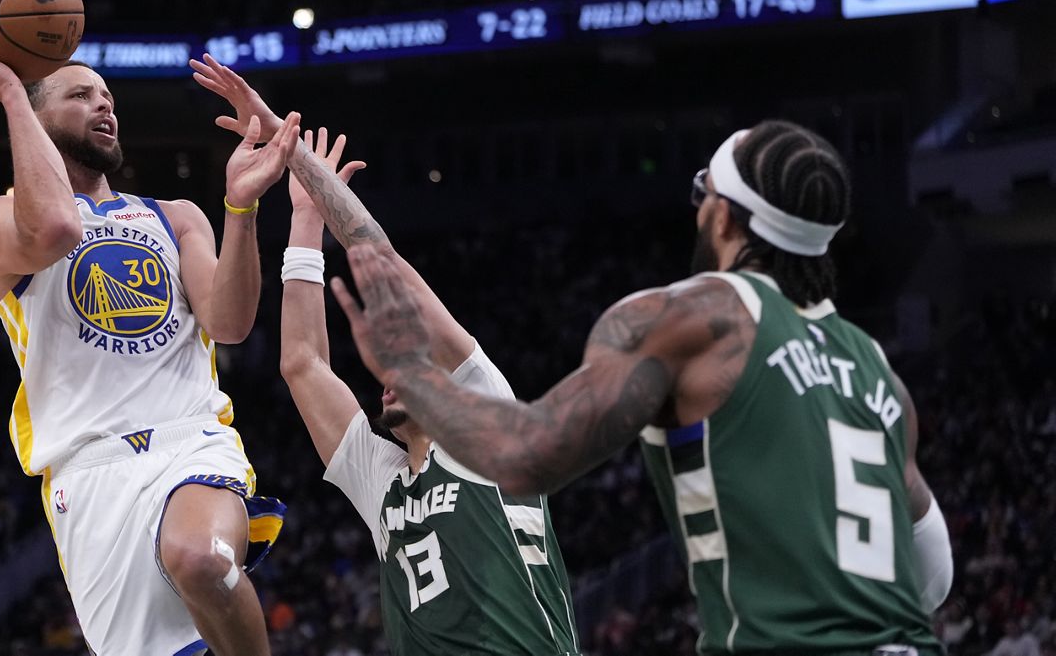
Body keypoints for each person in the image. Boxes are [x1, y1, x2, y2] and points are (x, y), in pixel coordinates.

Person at [332, 120, 955, 654]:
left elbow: (526, 456)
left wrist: (412, 371)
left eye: (702, 192)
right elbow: (933, 576)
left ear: (726, 217)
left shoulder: (693, 316)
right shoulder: (875, 366)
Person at [188, 55, 582, 654]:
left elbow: (381, 258)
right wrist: (304, 221)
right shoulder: (384, 485)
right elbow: (303, 364)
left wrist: (291, 150)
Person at [0, 20, 298, 656]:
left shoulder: (175, 216)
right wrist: (6, 91)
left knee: (202, 560)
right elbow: (55, 229)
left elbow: (231, 325)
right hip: (88, 474)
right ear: (35, 114)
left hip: (188, 438)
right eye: (80, 95)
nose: (104, 103)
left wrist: (241, 208)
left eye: (108, 96)